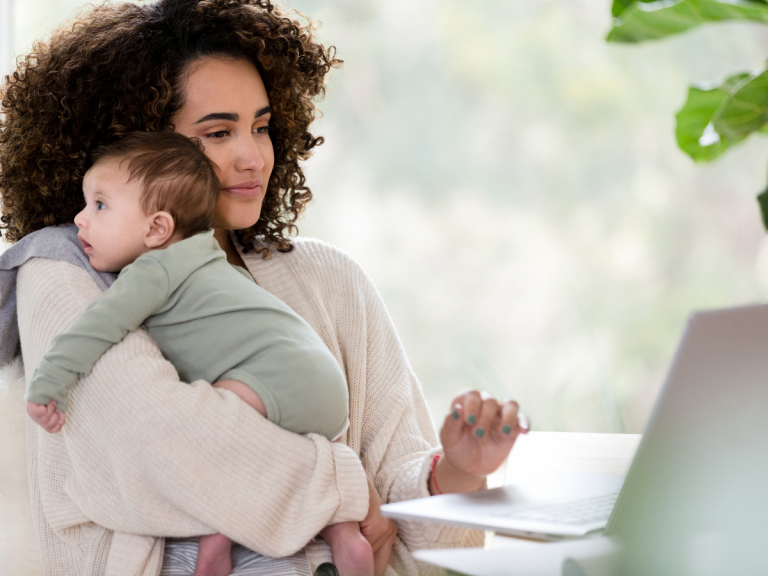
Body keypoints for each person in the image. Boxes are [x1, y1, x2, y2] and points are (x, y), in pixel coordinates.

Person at [0, 0, 528, 574]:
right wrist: (347, 484)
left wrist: (457, 474)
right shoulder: (62, 268)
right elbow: (166, 453)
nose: (253, 156)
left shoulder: (331, 279)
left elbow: (402, 534)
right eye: (218, 132)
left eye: (260, 126)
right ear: (139, 153)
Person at [24, 131, 374, 576]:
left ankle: (216, 541)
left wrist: (48, 383)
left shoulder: (152, 270)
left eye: (100, 205)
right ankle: (347, 538)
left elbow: (96, 327)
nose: (80, 220)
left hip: (275, 377)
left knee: (220, 442)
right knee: (284, 448)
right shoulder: (210, 258)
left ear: (156, 228)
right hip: (324, 386)